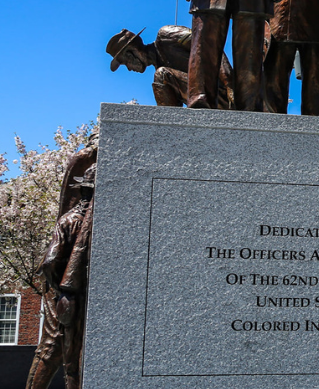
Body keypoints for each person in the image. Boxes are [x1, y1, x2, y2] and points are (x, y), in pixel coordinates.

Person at [25, 141, 96, 389]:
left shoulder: (68, 220)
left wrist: (58, 286)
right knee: (62, 355)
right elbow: (51, 262)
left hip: (66, 295)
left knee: (66, 357)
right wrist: (60, 288)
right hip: (70, 296)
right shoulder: (86, 221)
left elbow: (50, 262)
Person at [106, 26, 234, 108]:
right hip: (207, 103)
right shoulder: (160, 72)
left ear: (131, 53)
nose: (129, 68)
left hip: (220, 94)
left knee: (161, 75)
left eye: (125, 62)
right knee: (160, 77)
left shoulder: (167, 35)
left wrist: (230, 84)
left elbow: (208, 46)